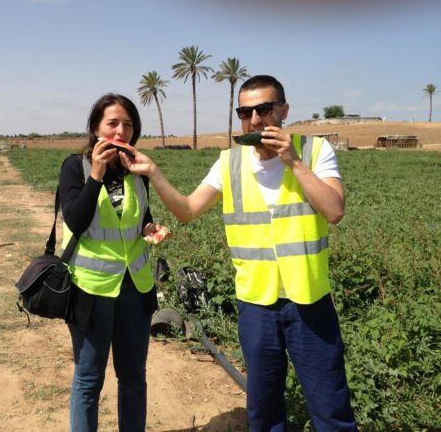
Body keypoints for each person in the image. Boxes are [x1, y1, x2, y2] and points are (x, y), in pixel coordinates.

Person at [119, 75, 357, 431]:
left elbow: (334, 211)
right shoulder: (229, 163)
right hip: (256, 306)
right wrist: (153, 171)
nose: (255, 120)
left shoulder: (315, 151)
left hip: (309, 302)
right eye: (245, 113)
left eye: (264, 109)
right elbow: (187, 210)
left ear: (284, 111)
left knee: (330, 407)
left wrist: (293, 162)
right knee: (264, 410)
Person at [59, 93, 170, 432]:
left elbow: (142, 217)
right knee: (89, 377)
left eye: (128, 124)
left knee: (133, 376)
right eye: (113, 123)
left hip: (135, 288)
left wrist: (150, 229)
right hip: (90, 291)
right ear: (95, 128)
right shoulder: (75, 167)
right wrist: (96, 175)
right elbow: (75, 220)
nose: (121, 131)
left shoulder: (138, 170)